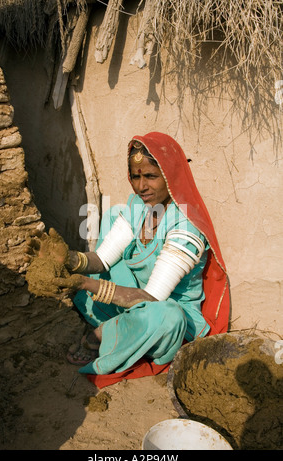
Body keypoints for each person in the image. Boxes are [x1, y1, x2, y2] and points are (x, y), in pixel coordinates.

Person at [25, 132, 230, 384]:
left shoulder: (185, 227)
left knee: (167, 317)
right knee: (113, 215)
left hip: (164, 308)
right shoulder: (138, 207)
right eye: (136, 176)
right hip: (134, 294)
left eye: (151, 176)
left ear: (170, 176)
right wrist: (69, 259)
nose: (141, 186)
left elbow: (152, 299)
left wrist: (83, 283)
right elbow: (102, 260)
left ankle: (103, 333)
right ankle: (123, 329)